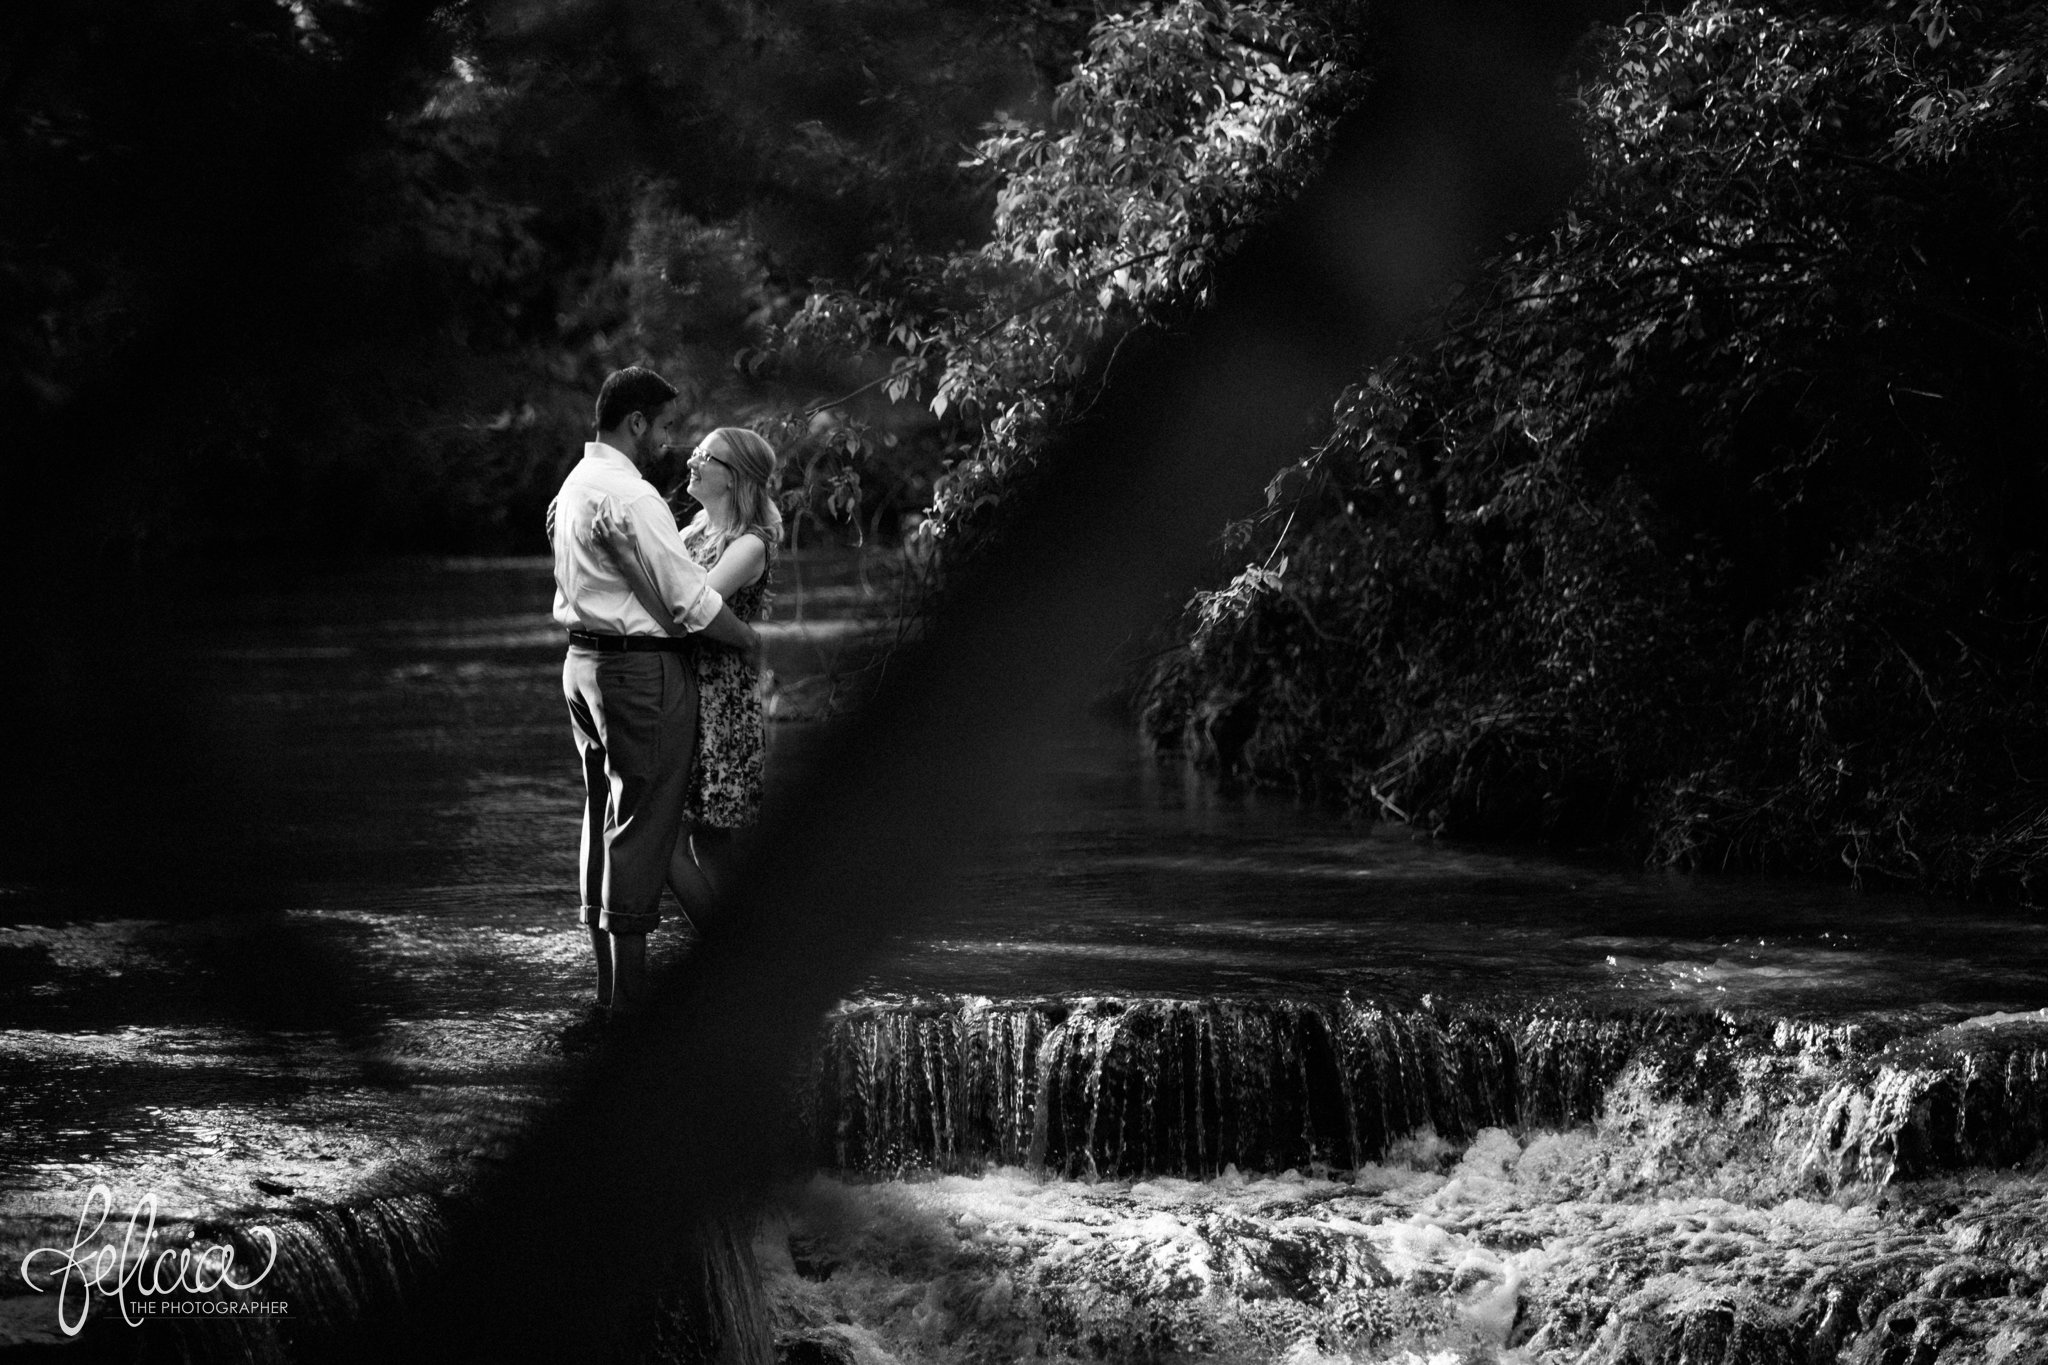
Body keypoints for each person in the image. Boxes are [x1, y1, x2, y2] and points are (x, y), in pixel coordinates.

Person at [549, 367, 760, 1020]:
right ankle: (633, 1007)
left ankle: (610, 993)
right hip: (638, 672)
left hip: (582, 663)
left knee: (605, 820)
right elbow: (690, 602)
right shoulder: (634, 496)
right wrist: (751, 644)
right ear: (635, 421)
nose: (672, 440)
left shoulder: (575, 485)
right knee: (642, 831)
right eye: (665, 425)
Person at [595, 427, 780, 922]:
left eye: (706, 456)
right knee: (689, 847)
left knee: (697, 846)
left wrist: (624, 556)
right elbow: (648, 592)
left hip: (722, 709)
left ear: (735, 477)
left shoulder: (749, 545)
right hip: (682, 697)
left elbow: (687, 612)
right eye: (697, 451)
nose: (692, 460)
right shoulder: (694, 529)